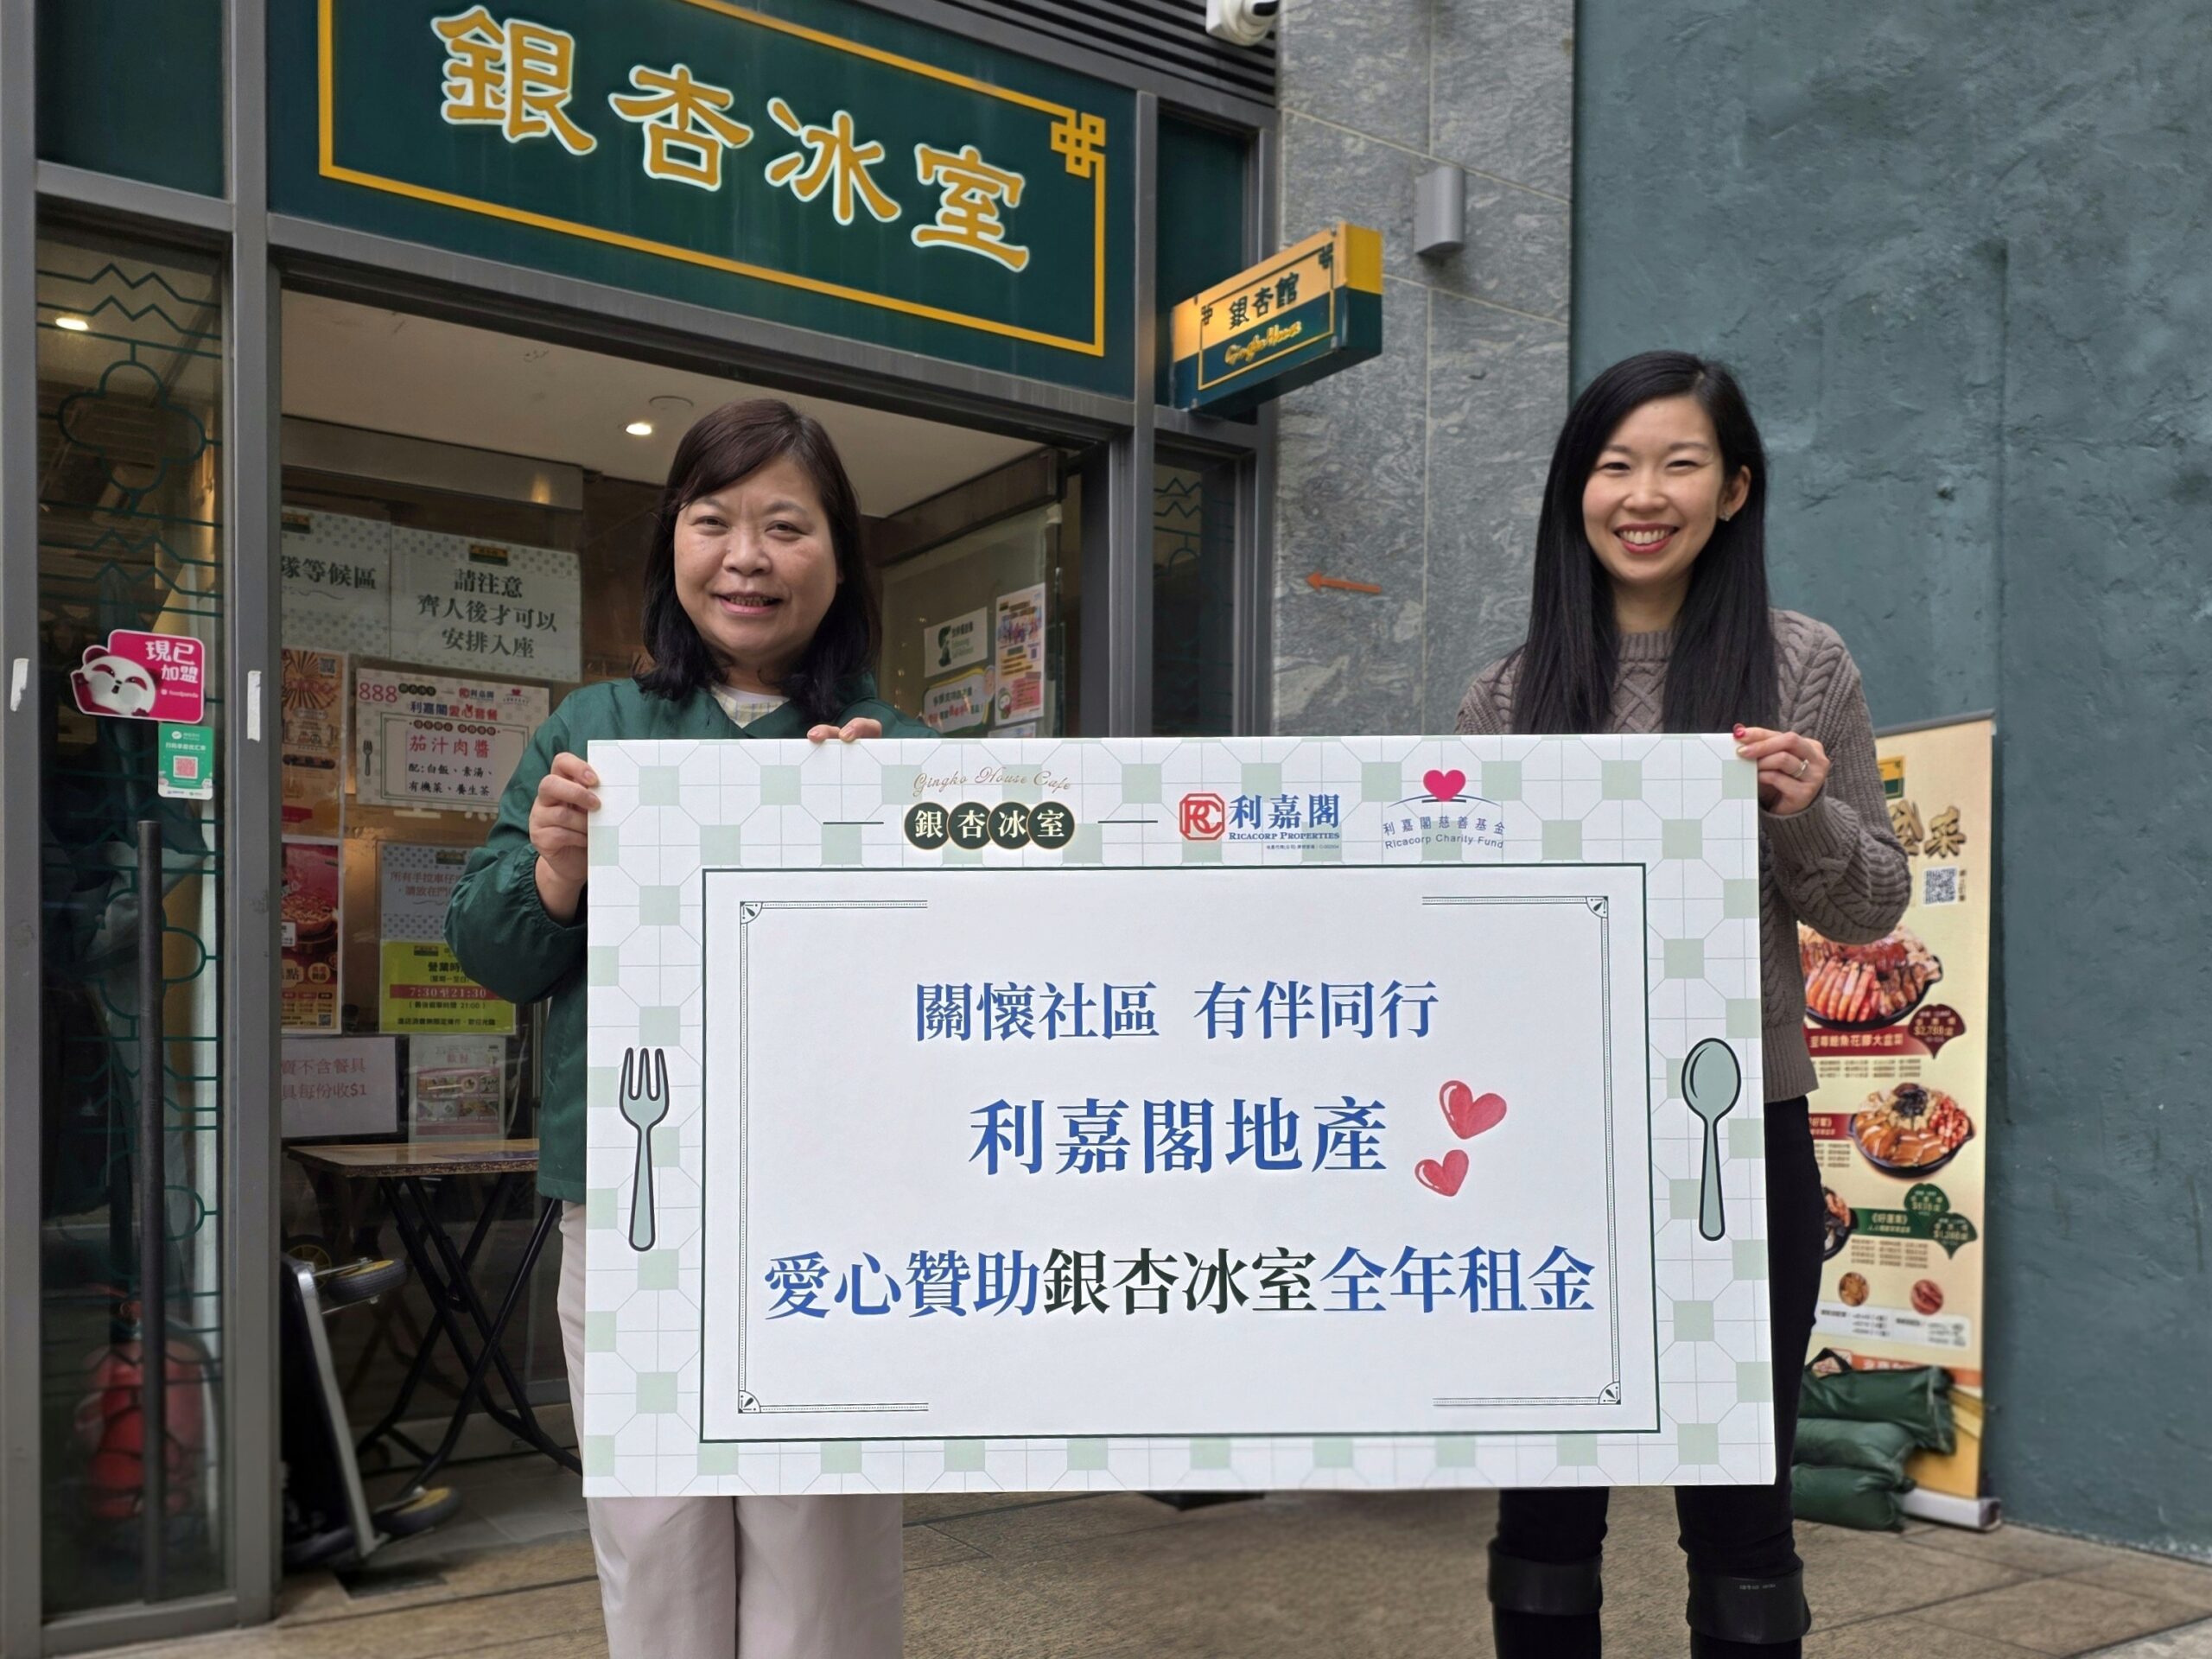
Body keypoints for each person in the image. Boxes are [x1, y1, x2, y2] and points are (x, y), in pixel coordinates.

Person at [447, 399, 933, 1659]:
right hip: (636, 1205)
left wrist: (895, 848)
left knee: (820, 1540)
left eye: (787, 526)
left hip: (829, 1209)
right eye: (714, 521)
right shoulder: (593, 732)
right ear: (672, 542)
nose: (747, 558)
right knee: (655, 1536)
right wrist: (557, 869)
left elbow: (951, 1001)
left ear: (841, 558)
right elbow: (493, 952)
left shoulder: (897, 754)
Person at [1456, 352, 1909, 1658]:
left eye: (1679, 464)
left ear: (1735, 490)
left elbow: (1871, 906)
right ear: (1575, 491)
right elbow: (1471, 928)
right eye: (1614, 466)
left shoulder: (1800, 665)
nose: (1643, 495)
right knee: (1547, 1500)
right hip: (1554, 1145)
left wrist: (1802, 809)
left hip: (1736, 1135)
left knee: (1742, 1508)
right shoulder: (1508, 694)